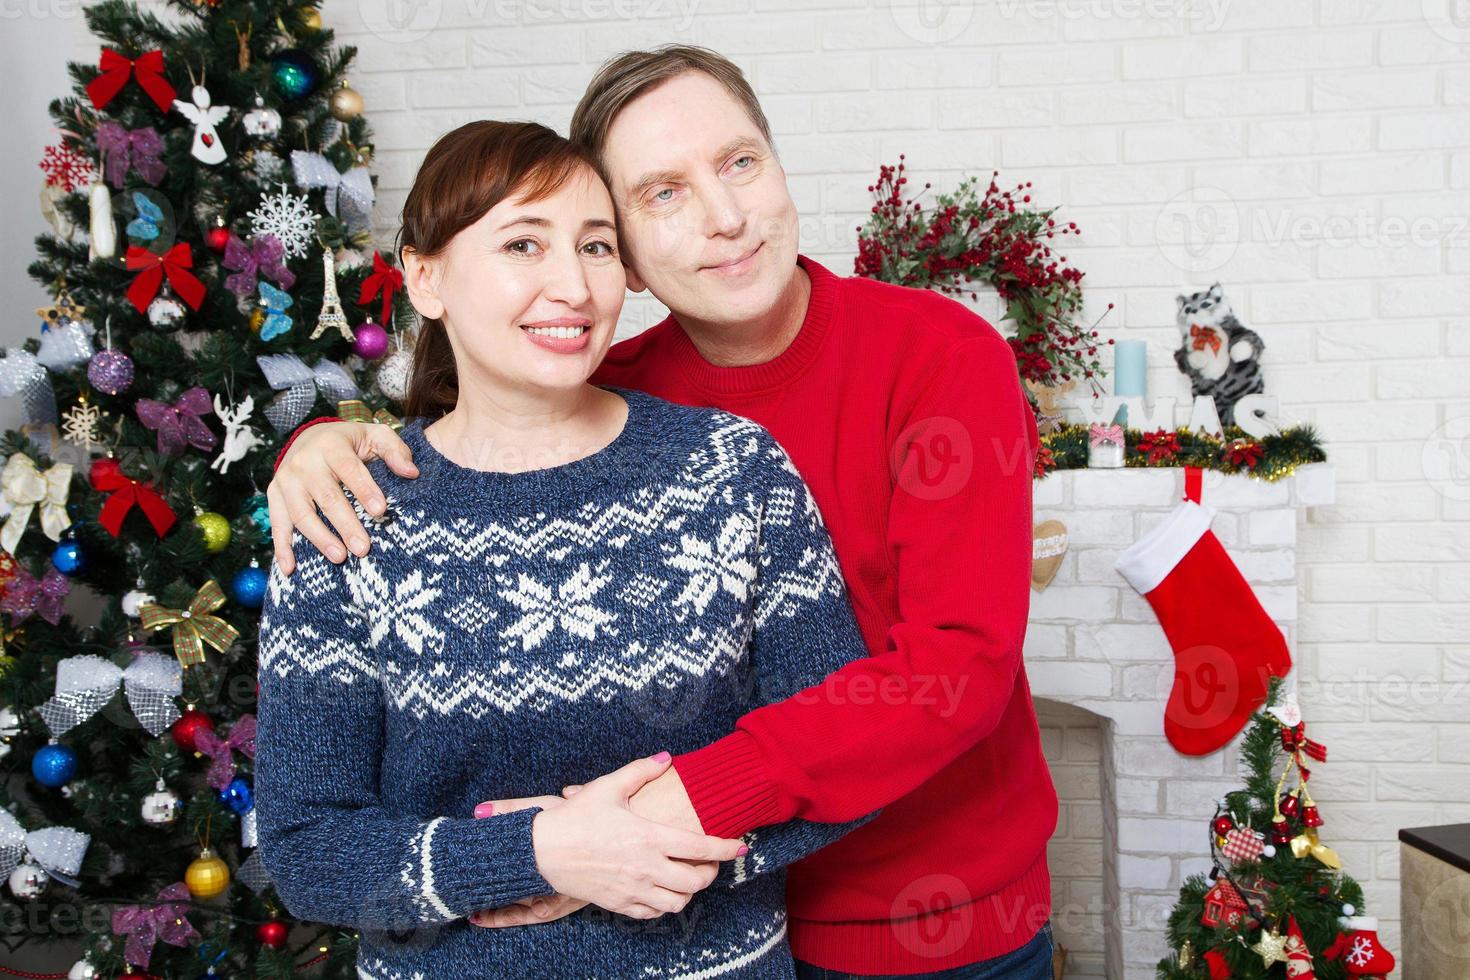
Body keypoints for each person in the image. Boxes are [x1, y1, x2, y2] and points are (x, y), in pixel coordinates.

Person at [268, 46, 1058, 979]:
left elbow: (955, 662)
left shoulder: (936, 355)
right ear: (628, 257)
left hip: (924, 916)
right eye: (664, 194)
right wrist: (318, 444)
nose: (726, 218)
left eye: (739, 163)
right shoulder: (608, 388)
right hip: (728, 914)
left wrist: (654, 823)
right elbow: (479, 420)